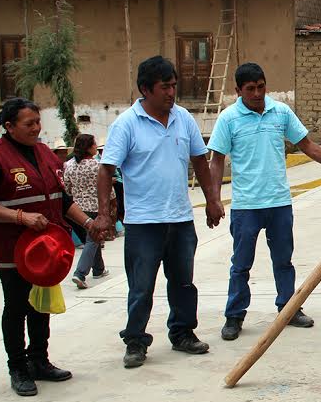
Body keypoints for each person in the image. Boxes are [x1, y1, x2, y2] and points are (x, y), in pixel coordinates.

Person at [90, 56, 225, 369]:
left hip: (180, 219)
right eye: (165, 87)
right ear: (145, 89)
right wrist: (103, 214)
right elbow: (105, 170)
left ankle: (182, 333)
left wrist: (213, 201)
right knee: (141, 286)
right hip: (143, 224)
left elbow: (200, 162)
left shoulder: (184, 119)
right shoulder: (126, 124)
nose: (171, 92)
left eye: (174, 85)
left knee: (183, 283)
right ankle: (135, 341)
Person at [0, 98, 90, 396]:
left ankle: (40, 359)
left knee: (41, 304)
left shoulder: (46, 154)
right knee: (16, 306)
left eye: (38, 122)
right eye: (29, 124)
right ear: (9, 126)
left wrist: (88, 225)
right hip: (13, 248)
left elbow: (61, 200)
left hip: (47, 248)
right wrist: (20, 218)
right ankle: (18, 367)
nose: (36, 129)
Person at [208, 63, 321, 341]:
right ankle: (235, 315)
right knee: (241, 264)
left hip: (278, 204)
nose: (257, 93)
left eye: (261, 87)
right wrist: (213, 199)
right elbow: (216, 161)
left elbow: (307, 145)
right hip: (246, 206)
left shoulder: (281, 112)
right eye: (250, 89)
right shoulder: (229, 119)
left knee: (283, 261)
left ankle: (288, 309)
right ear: (237, 90)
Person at [63, 133, 110, 289]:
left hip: (75, 210)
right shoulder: (97, 165)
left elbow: (67, 189)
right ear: (89, 147)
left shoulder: (68, 165)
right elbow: (106, 188)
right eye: (95, 144)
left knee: (91, 240)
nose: (96, 147)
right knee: (92, 241)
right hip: (93, 208)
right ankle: (80, 273)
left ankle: (99, 269)